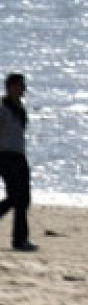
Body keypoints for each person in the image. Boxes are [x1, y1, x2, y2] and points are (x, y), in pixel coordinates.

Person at [0, 73, 35, 252]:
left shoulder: (19, 108)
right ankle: (19, 239)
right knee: (16, 196)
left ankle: (20, 239)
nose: (23, 89)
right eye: (20, 86)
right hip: (4, 156)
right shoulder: (2, 107)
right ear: (11, 87)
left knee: (24, 198)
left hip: (19, 155)